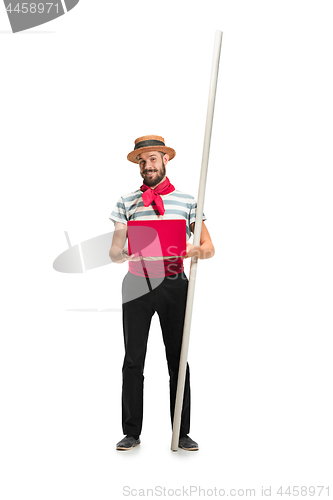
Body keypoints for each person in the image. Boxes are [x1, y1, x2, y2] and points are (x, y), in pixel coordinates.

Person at [109, 135, 215, 451]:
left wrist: (193, 249)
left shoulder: (187, 201)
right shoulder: (126, 202)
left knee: (178, 359)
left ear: (165, 160)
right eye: (142, 161)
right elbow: (114, 249)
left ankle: (181, 432)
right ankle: (132, 431)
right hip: (137, 283)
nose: (147, 166)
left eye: (152, 159)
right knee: (133, 359)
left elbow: (210, 247)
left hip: (173, 284)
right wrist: (123, 253)